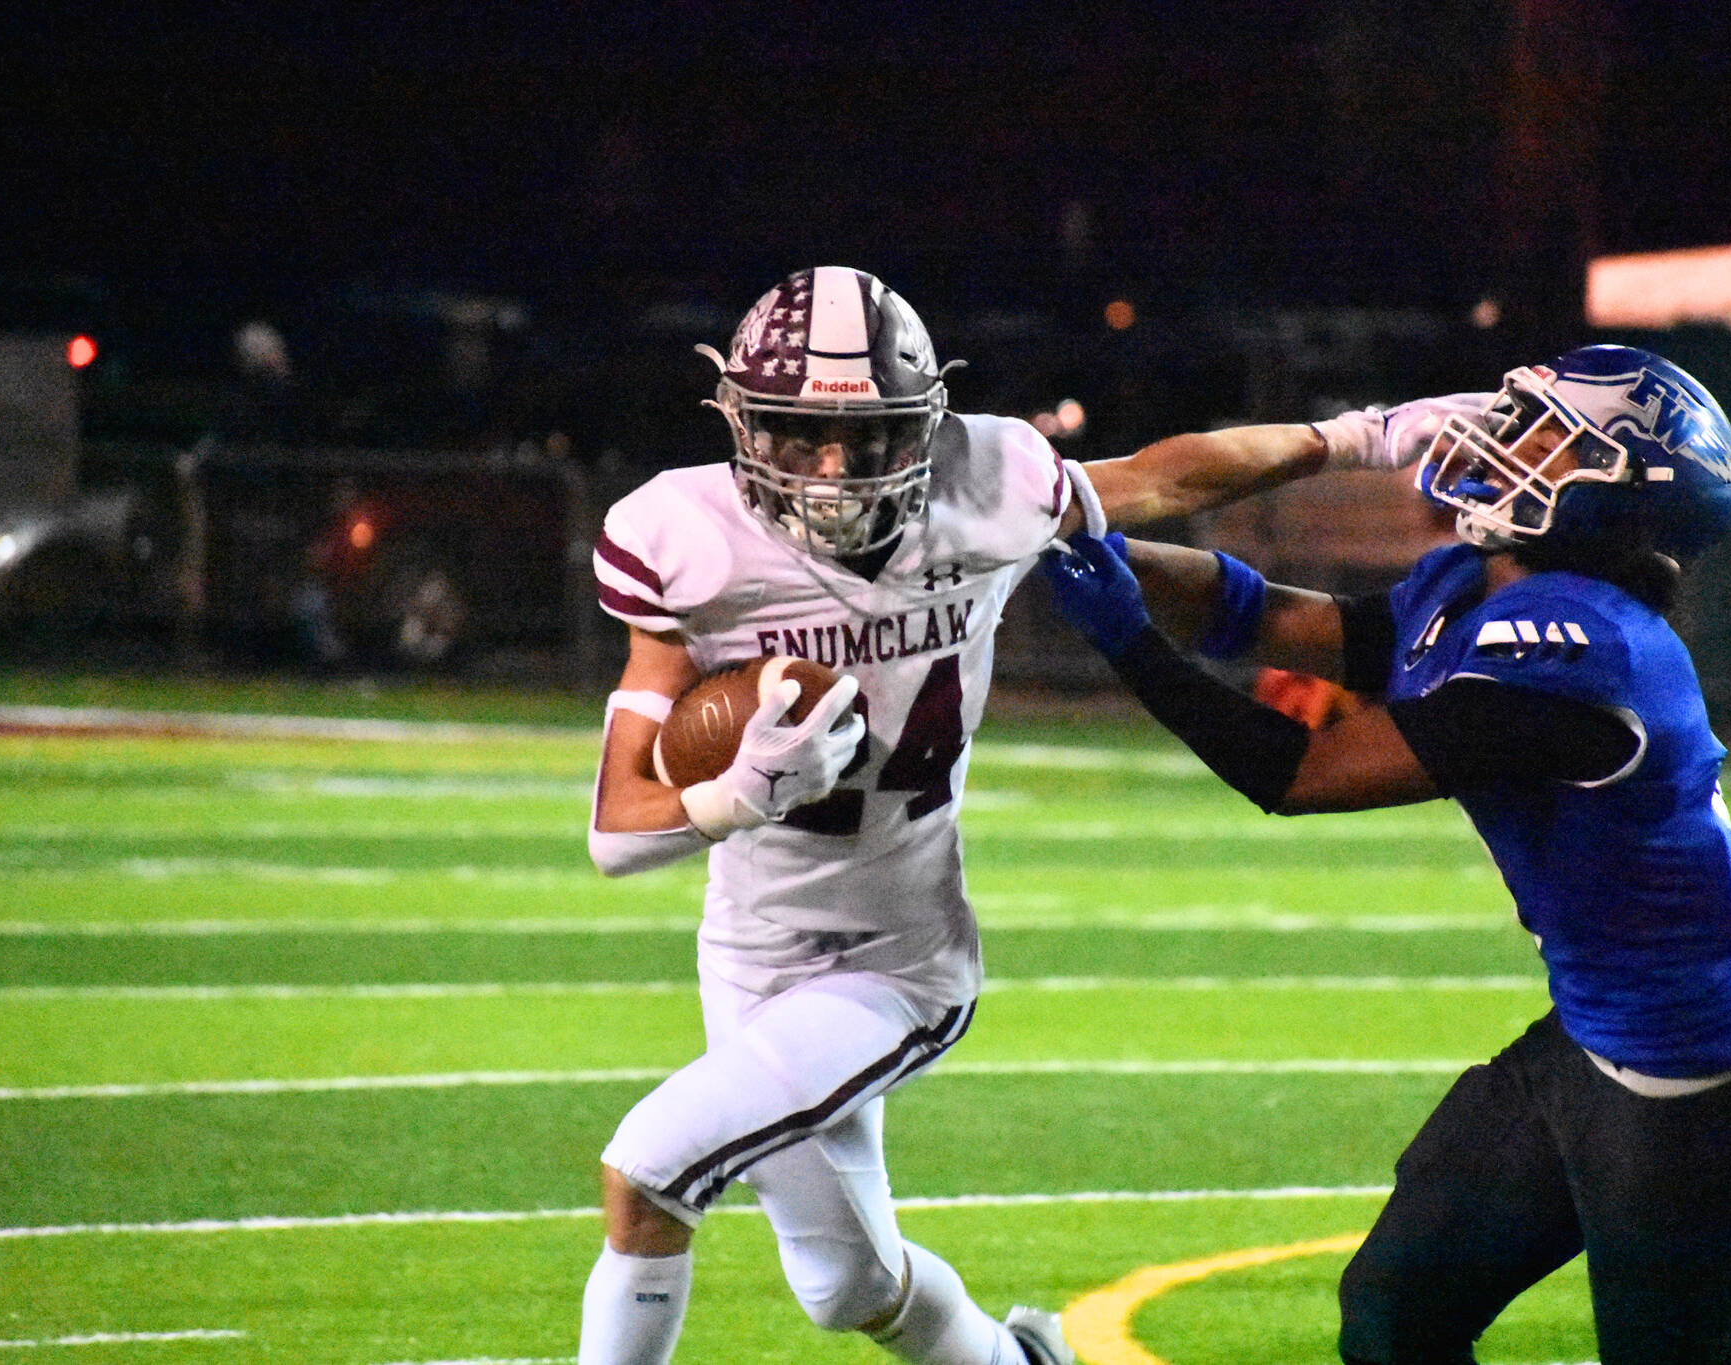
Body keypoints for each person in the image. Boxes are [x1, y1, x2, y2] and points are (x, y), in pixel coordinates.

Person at [1037, 343, 1731, 1365]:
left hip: (1698, 1093)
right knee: (1394, 1319)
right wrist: (1085, 552)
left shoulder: (1583, 652)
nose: (1497, 439)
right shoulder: (1482, 582)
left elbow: (1300, 774)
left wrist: (1127, 641)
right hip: (1582, 1041)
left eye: (1544, 435)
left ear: (1606, 495)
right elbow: (1271, 616)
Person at [575, 265, 1450, 1365]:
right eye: (801, 434)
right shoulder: (685, 537)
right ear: (743, 423)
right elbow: (618, 828)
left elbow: (1168, 476)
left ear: (928, 423)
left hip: (896, 963)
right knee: (846, 1286)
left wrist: (1364, 436)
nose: (837, 470)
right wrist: (738, 791)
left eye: (875, 437)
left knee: (648, 1171)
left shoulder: (988, 483)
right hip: (749, 953)